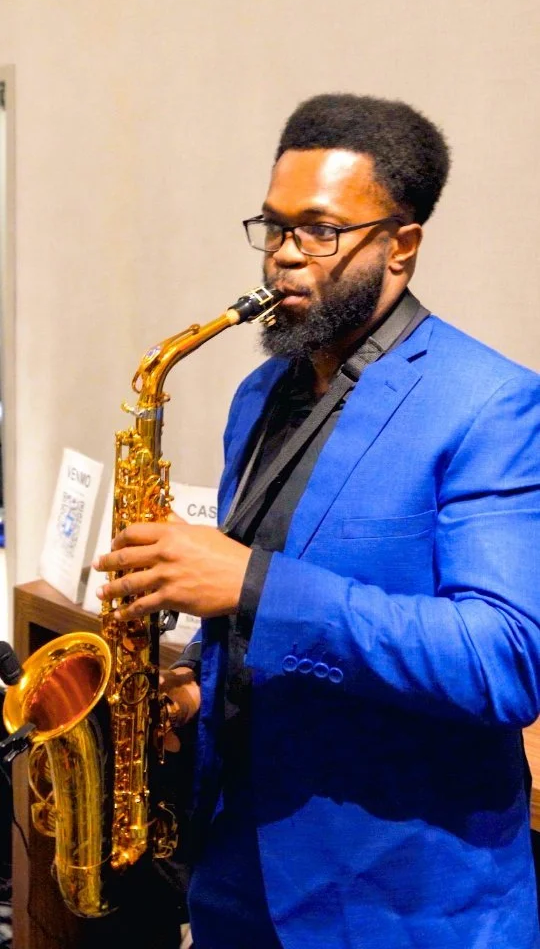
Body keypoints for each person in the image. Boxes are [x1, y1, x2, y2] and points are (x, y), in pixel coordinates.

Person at [95, 94, 540, 948]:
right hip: (235, 882)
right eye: (274, 227)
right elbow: (256, 615)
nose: (285, 257)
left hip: (400, 905)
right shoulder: (259, 395)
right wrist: (194, 681)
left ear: (401, 246)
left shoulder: (493, 404)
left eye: (320, 231)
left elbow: (504, 660)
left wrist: (254, 586)